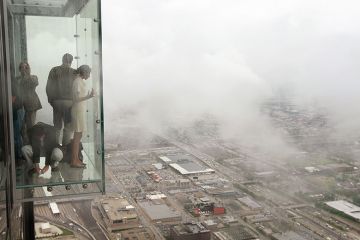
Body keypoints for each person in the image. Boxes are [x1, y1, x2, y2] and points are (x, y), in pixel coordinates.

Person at [46, 53, 75, 145]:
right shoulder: (74, 72)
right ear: (71, 61)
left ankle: (55, 147)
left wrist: (51, 101)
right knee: (68, 126)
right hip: (69, 103)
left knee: (57, 126)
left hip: (57, 102)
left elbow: (48, 87)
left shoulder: (54, 70)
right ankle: (65, 149)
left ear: (62, 60)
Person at [71, 65, 94, 168]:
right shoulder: (77, 82)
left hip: (80, 111)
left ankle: (76, 159)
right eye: (88, 73)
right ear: (84, 72)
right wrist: (88, 96)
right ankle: (74, 160)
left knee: (78, 136)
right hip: (77, 111)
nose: (89, 75)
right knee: (77, 136)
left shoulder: (79, 81)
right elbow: (76, 99)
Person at [17, 62, 42, 143]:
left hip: (31, 105)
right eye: (22, 67)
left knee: (30, 126)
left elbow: (35, 83)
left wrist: (28, 74)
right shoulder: (17, 79)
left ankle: (32, 145)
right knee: (21, 128)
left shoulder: (33, 77)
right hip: (20, 106)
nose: (23, 69)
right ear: (19, 69)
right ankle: (26, 144)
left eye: (26, 67)